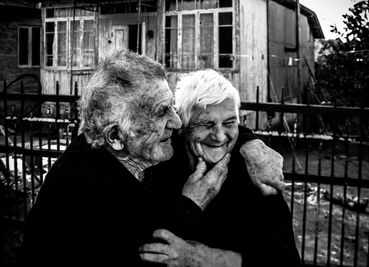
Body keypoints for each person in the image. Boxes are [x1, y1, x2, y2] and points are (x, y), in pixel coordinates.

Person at [17, 50, 285, 266]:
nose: (176, 122)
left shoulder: (158, 149)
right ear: (115, 137)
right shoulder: (81, 189)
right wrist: (190, 206)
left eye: (172, 107)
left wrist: (251, 143)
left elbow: (280, 261)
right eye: (161, 112)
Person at [140, 69, 300, 266]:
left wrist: (206, 258)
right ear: (182, 124)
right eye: (207, 124)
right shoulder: (159, 166)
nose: (220, 136)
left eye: (229, 123)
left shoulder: (254, 174)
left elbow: (285, 261)